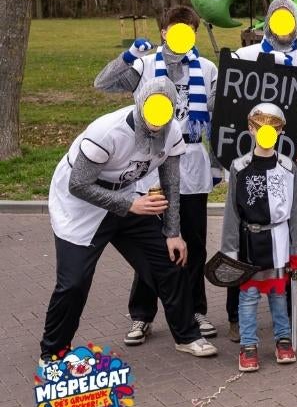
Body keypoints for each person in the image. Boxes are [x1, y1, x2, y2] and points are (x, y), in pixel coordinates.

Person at [41, 78, 217, 363]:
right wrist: (130, 205)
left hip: (127, 196)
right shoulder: (107, 132)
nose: (157, 122)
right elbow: (79, 185)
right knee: (73, 282)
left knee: (170, 260)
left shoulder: (171, 132)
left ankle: (187, 336)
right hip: (81, 207)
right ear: (140, 105)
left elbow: (171, 183)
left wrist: (173, 232)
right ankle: (53, 351)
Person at [94, 6, 219, 344]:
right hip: (151, 161)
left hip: (191, 162)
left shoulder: (207, 69)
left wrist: (218, 162)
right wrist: (128, 56)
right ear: (163, 32)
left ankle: (195, 310)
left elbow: (219, 113)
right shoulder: (145, 65)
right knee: (151, 242)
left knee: (193, 242)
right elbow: (102, 83)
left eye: (189, 30)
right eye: (176, 28)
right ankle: (142, 314)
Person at [228, 0, 297, 341]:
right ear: (269, 21)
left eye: (289, 20)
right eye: (278, 19)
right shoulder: (246, 57)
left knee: (284, 235)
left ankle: (287, 314)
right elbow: (231, 105)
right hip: (252, 161)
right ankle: (237, 317)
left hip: (287, 165)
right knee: (244, 236)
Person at [220, 104, 297, 372]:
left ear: (280, 132)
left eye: (273, 128)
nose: (266, 133)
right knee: (248, 296)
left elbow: (296, 212)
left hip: (278, 239)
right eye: (261, 128)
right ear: (251, 129)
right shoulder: (239, 167)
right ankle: (248, 344)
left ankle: (283, 339)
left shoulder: (288, 168)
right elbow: (232, 213)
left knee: (279, 294)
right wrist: (229, 250)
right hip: (249, 240)